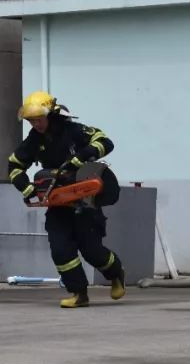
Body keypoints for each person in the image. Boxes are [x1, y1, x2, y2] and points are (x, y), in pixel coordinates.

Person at [8, 91, 125, 308]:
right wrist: (26, 188)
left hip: (85, 202)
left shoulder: (73, 130)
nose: (35, 124)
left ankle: (116, 275)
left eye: (38, 119)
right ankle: (79, 294)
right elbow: (14, 166)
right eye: (31, 121)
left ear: (51, 114)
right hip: (58, 203)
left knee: (92, 252)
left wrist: (79, 159)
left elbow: (105, 142)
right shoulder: (34, 140)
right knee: (61, 250)